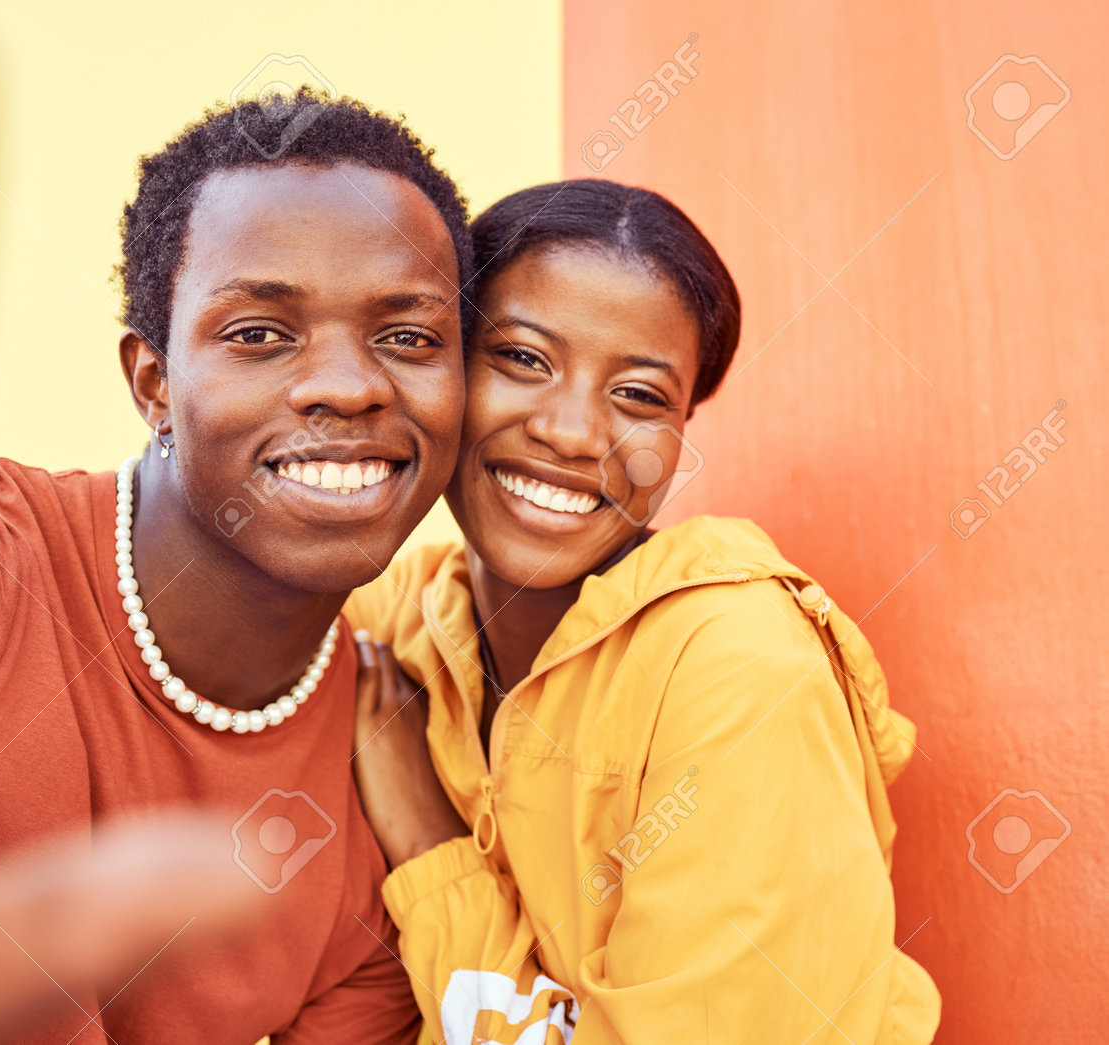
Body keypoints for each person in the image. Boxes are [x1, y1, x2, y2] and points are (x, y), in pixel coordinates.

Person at [0, 51, 473, 1045]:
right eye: (261, 334)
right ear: (151, 383)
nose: (349, 387)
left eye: (409, 338)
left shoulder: (386, 785)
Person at [349, 179, 942, 1043]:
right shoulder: (404, 614)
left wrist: (432, 844)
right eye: (522, 358)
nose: (575, 432)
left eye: (640, 396)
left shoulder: (741, 674)